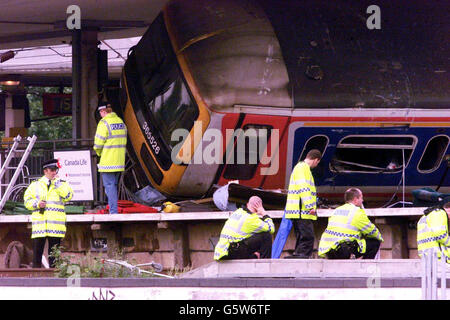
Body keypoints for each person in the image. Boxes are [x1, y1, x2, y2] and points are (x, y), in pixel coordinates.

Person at [24, 159, 74, 268]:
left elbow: (68, 196)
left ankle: (54, 280)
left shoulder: (61, 184)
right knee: (37, 256)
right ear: (45, 171)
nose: (54, 172)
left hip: (55, 227)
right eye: (52, 170)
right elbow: (26, 201)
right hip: (40, 226)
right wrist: (37, 204)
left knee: (54, 258)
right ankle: (36, 279)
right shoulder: (35, 185)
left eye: (56, 170)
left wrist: (58, 184)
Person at [318, 188, 383, 259]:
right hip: (343, 250)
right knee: (375, 242)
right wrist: (380, 238)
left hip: (329, 250)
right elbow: (372, 231)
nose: (362, 200)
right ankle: (365, 268)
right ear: (355, 199)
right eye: (361, 198)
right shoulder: (357, 212)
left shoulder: (336, 210)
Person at [284, 149, 321, 258]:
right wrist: (310, 206)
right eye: (317, 163)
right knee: (307, 237)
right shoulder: (303, 168)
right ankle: (301, 260)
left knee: (302, 238)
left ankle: (297, 257)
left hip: (298, 211)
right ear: (316, 160)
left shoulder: (300, 168)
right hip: (302, 211)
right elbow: (304, 189)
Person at [214, 196, 275, 260]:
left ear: (247, 204)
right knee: (266, 236)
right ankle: (265, 264)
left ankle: (254, 257)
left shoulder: (237, 212)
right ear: (258, 208)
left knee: (252, 235)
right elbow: (271, 229)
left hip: (223, 252)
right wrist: (263, 213)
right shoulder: (251, 219)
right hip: (232, 251)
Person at [93, 102, 127, 214]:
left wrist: (99, 153)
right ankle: (113, 209)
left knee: (109, 186)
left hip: (108, 161)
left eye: (100, 112)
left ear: (103, 111)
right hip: (119, 161)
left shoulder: (104, 123)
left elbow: (98, 144)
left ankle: (113, 212)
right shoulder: (120, 122)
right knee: (113, 186)